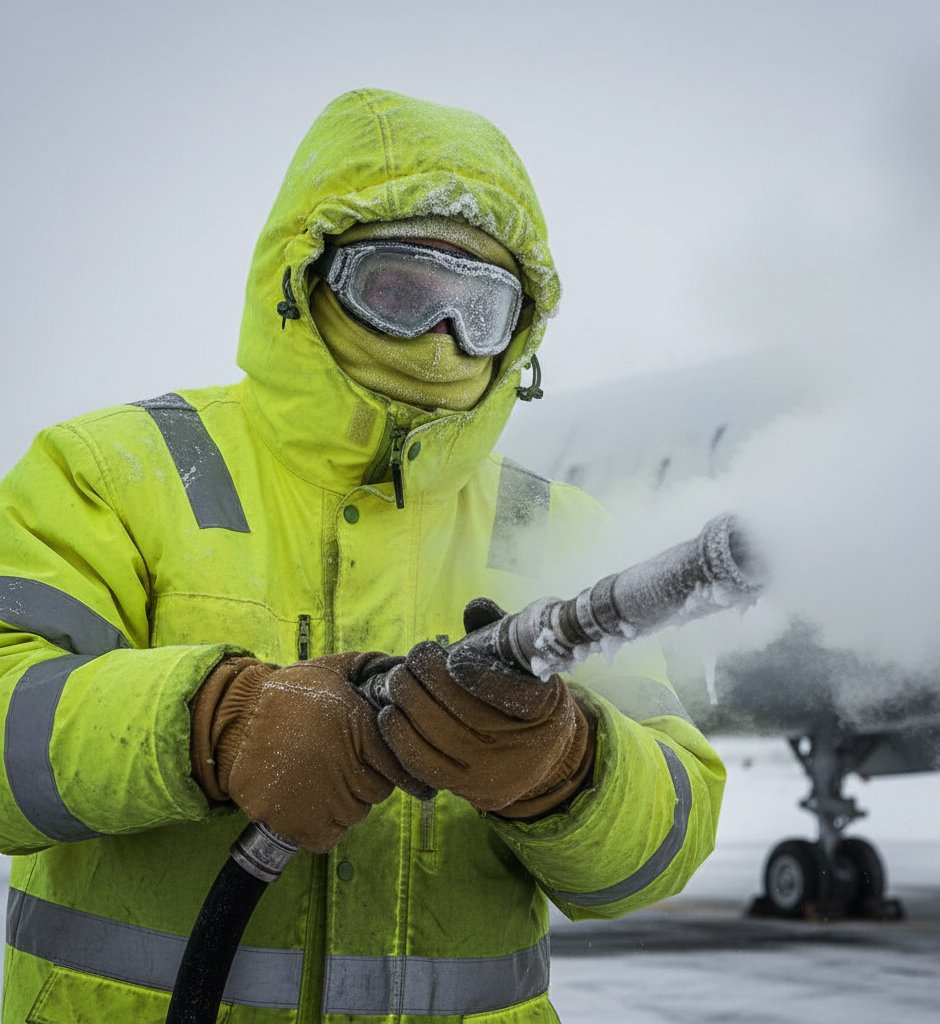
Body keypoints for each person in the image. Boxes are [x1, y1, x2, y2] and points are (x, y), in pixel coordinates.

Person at [0, 88, 725, 1023]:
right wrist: (211, 724)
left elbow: (663, 848)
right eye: (399, 292)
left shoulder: (564, 532)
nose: (439, 339)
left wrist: (564, 766)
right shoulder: (114, 471)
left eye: (480, 309)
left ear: (522, 338)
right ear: (304, 278)